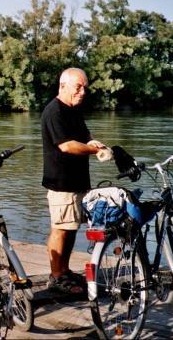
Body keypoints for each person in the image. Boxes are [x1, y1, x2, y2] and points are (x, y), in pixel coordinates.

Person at [41, 67, 106, 294]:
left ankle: (64, 270)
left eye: (84, 88)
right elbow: (66, 145)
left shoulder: (74, 110)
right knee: (60, 229)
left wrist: (94, 142)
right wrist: (91, 150)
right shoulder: (54, 111)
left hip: (76, 181)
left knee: (70, 228)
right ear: (63, 86)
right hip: (60, 182)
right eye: (78, 87)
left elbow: (84, 135)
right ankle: (56, 277)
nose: (82, 92)